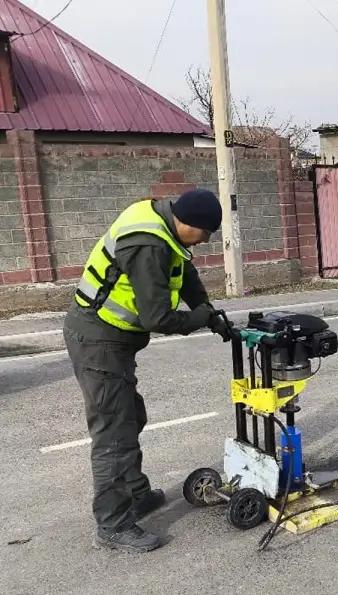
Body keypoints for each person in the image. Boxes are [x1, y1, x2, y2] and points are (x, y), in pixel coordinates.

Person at [63, 189, 229, 553]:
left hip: (112, 339)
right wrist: (197, 319)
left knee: (130, 416)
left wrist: (210, 312)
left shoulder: (164, 223)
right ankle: (113, 524)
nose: (204, 241)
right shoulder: (149, 245)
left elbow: (185, 273)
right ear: (187, 223)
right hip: (98, 340)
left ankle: (136, 494)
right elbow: (158, 318)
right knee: (113, 434)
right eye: (204, 234)